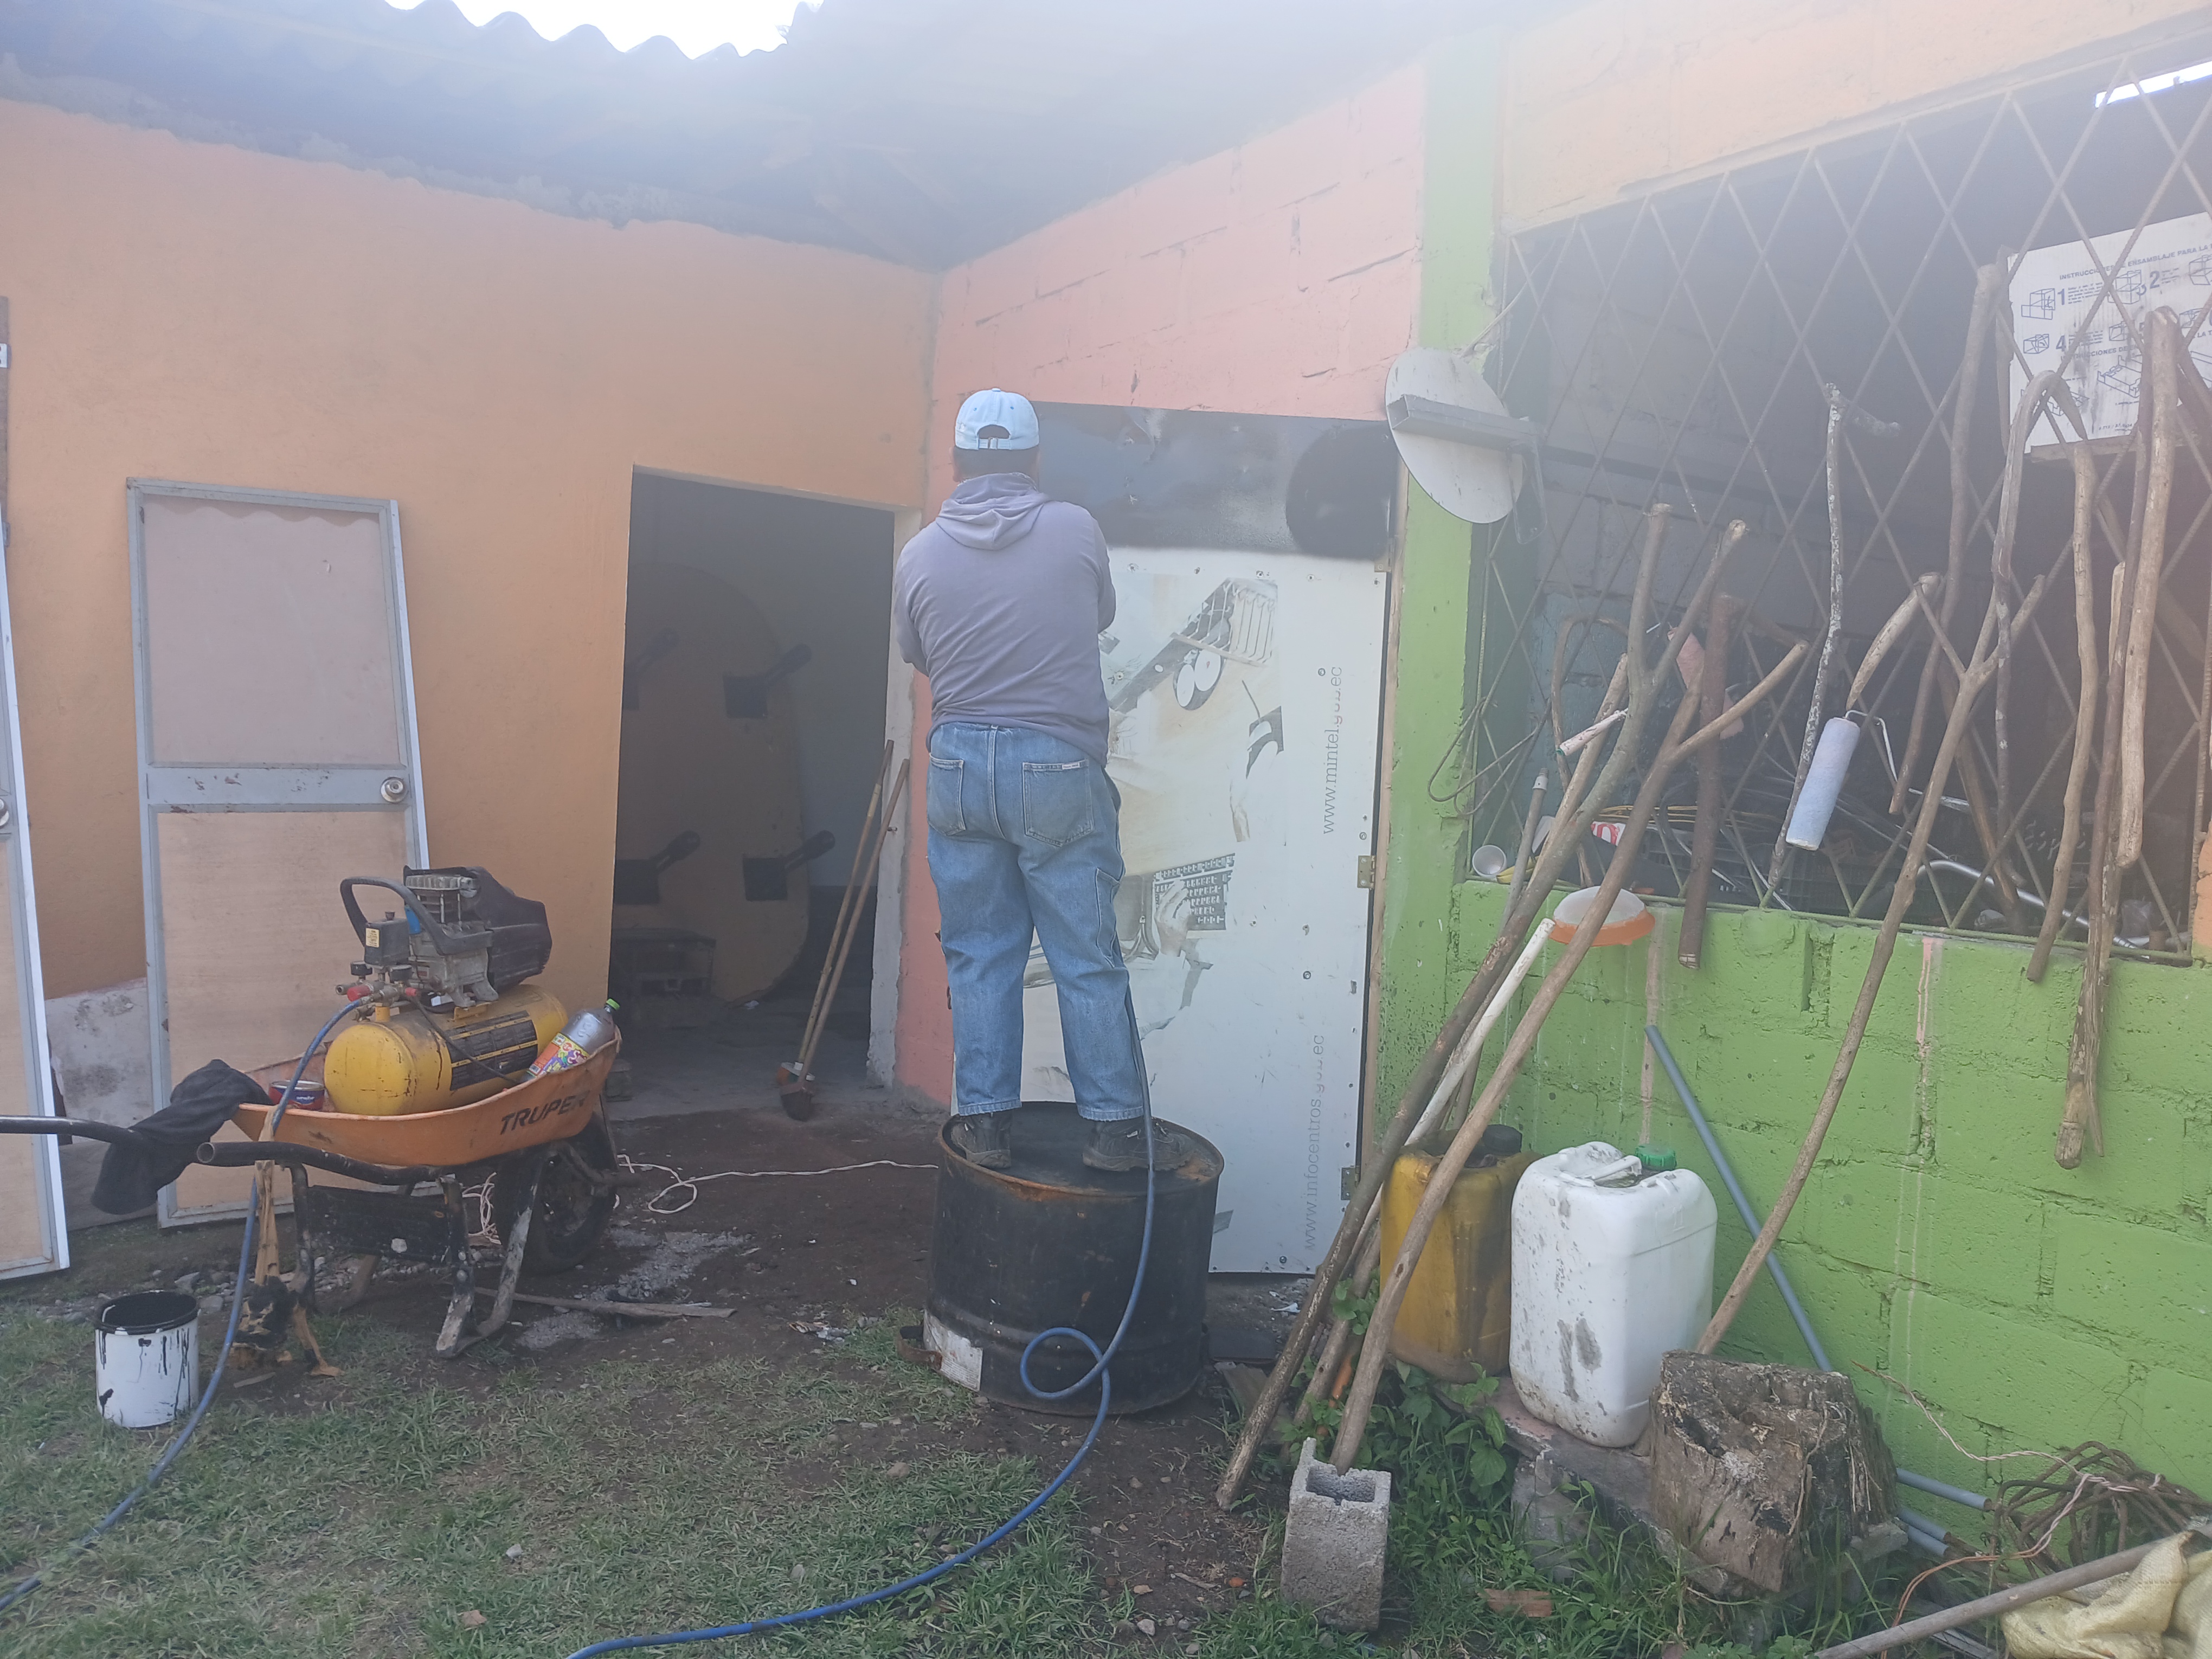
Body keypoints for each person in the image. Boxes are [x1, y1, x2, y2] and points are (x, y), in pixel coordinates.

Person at [894, 388, 1193, 1174]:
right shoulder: (1074, 529)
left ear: (957, 462)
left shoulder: (919, 553)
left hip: (958, 764)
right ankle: (1116, 1133)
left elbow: (917, 652)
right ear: (1034, 460)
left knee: (980, 954)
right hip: (1057, 763)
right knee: (1084, 954)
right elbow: (1097, 615)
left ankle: (984, 1127)